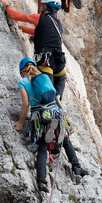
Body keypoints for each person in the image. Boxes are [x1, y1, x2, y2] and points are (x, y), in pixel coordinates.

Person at [15, 57, 88, 192]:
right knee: (66, 140)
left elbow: (25, 104)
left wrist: (20, 123)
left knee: (43, 148)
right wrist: (66, 121)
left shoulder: (23, 82)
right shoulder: (45, 78)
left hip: (39, 116)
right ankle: (77, 167)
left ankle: (42, 182)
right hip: (55, 112)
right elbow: (55, 98)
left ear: (23, 71)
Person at [0, 0, 66, 100]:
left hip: (46, 62)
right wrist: (23, 28)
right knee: (60, 84)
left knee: (47, 91)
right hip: (59, 62)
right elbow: (41, 32)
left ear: (44, 6)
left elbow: (15, 16)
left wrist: (7, 5)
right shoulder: (58, 24)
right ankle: (57, 100)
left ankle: (47, 108)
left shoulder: (38, 17)